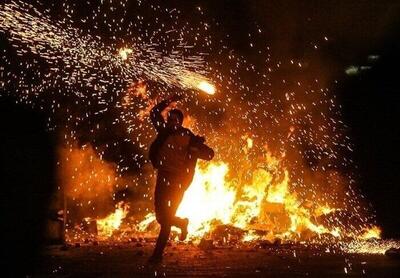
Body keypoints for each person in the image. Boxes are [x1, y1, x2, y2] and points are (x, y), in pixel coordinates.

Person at [148, 94, 214, 263]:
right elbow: (155, 112)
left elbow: (209, 154)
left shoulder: (188, 136)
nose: (172, 122)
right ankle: (182, 223)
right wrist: (169, 101)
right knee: (161, 218)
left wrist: (195, 151)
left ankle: (157, 256)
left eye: (175, 119)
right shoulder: (163, 132)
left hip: (178, 182)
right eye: (170, 119)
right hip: (163, 178)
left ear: (181, 122)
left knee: (166, 218)